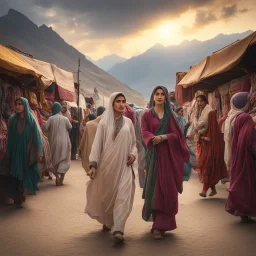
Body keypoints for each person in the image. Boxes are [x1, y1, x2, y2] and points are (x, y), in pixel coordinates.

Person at [85, 92, 137, 244]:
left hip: (125, 167)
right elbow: (97, 144)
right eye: (118, 101)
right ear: (112, 104)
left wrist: (133, 155)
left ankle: (119, 229)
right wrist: (93, 164)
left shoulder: (129, 123)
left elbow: (134, 143)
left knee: (123, 196)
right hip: (107, 167)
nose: (122, 104)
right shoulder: (104, 123)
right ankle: (107, 220)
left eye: (124, 101)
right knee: (107, 196)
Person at [141, 86, 189, 240]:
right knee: (154, 189)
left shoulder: (171, 116)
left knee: (167, 189)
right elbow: (144, 132)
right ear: (153, 96)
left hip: (168, 158)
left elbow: (178, 136)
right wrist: (151, 138)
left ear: (166, 97)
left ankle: (161, 225)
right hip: (154, 157)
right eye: (157, 94)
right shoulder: (147, 115)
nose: (160, 97)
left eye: (163, 94)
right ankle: (158, 223)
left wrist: (164, 137)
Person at [7, 97, 43, 207]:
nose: (18, 106)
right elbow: (10, 137)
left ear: (25, 105)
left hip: (27, 152)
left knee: (25, 172)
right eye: (16, 104)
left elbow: (37, 137)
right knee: (15, 173)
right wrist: (9, 151)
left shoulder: (31, 119)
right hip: (15, 151)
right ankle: (17, 196)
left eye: (20, 104)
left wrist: (39, 153)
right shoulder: (12, 119)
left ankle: (22, 194)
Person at [225, 112, 256, 223]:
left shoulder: (236, 134)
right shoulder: (250, 133)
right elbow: (253, 148)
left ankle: (243, 213)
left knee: (240, 186)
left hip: (236, 164)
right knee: (249, 187)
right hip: (250, 165)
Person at [195, 95, 228, 197]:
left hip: (210, 144)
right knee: (205, 165)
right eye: (198, 101)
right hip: (203, 144)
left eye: (201, 101)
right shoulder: (201, 112)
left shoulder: (211, 112)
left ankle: (204, 190)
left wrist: (205, 137)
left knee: (208, 166)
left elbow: (213, 129)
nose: (199, 103)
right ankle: (213, 189)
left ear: (205, 101)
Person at [43, 102, 72, 186]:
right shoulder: (65, 119)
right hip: (64, 141)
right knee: (64, 158)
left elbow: (45, 128)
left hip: (53, 142)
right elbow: (70, 127)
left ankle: (57, 175)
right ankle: (60, 175)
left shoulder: (51, 118)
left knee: (55, 158)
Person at [224, 92, 250, 172]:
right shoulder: (242, 118)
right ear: (242, 103)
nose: (250, 103)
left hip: (233, 152)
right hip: (241, 153)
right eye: (248, 101)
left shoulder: (231, 116)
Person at [134, 108, 146, 188]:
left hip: (143, 146)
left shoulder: (138, 123)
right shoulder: (136, 124)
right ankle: (143, 183)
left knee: (142, 165)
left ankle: (143, 183)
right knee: (142, 165)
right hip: (141, 146)